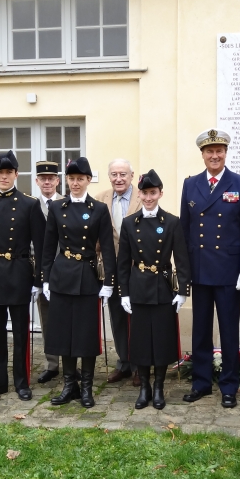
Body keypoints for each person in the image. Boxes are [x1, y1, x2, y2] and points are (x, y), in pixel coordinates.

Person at [179, 129, 240, 408]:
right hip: (200, 269)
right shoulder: (190, 184)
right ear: (202, 154)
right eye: (209, 151)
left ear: (226, 153)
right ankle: (200, 382)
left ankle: (228, 385)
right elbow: (186, 232)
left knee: (229, 330)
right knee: (200, 329)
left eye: (219, 150)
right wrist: (184, 273)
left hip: (228, 271)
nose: (215, 155)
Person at [41, 157, 116, 409]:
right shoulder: (57, 208)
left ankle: (86, 387)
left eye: (80, 179)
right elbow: (48, 245)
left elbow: (107, 247)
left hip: (87, 275)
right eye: (71, 179)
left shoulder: (98, 209)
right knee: (63, 334)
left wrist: (109, 282)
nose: (75, 183)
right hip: (62, 274)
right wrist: (46, 279)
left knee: (85, 335)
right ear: (67, 180)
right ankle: (69, 385)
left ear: (87, 180)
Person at [0, 150, 46, 401]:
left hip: (19, 273)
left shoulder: (30, 204)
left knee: (21, 333)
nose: (4, 177)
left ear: (16, 174)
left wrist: (38, 281)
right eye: (0, 173)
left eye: (9, 172)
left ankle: (22, 382)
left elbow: (42, 245)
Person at [117, 170, 191, 410]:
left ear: (160, 193)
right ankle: (144, 387)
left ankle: (158, 387)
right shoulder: (129, 223)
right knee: (139, 341)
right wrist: (124, 292)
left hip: (162, 287)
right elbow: (123, 262)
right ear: (139, 194)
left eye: (153, 193)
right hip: (138, 287)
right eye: (145, 193)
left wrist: (182, 292)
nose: (149, 198)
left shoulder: (171, 222)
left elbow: (181, 259)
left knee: (161, 341)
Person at [95, 158, 142, 386]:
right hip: (111, 268)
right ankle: (123, 362)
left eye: (123, 174)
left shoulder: (142, 196)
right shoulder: (101, 199)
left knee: (137, 317)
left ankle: (139, 366)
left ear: (132, 176)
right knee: (117, 316)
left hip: (136, 267)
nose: (118, 178)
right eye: (114, 174)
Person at [34, 161, 64, 384]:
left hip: (67, 269)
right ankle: (52, 364)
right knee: (47, 319)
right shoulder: (30, 206)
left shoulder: (68, 203)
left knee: (70, 318)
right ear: (37, 181)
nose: (47, 182)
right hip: (41, 270)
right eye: (42, 178)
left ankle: (72, 362)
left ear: (57, 181)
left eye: (51, 178)